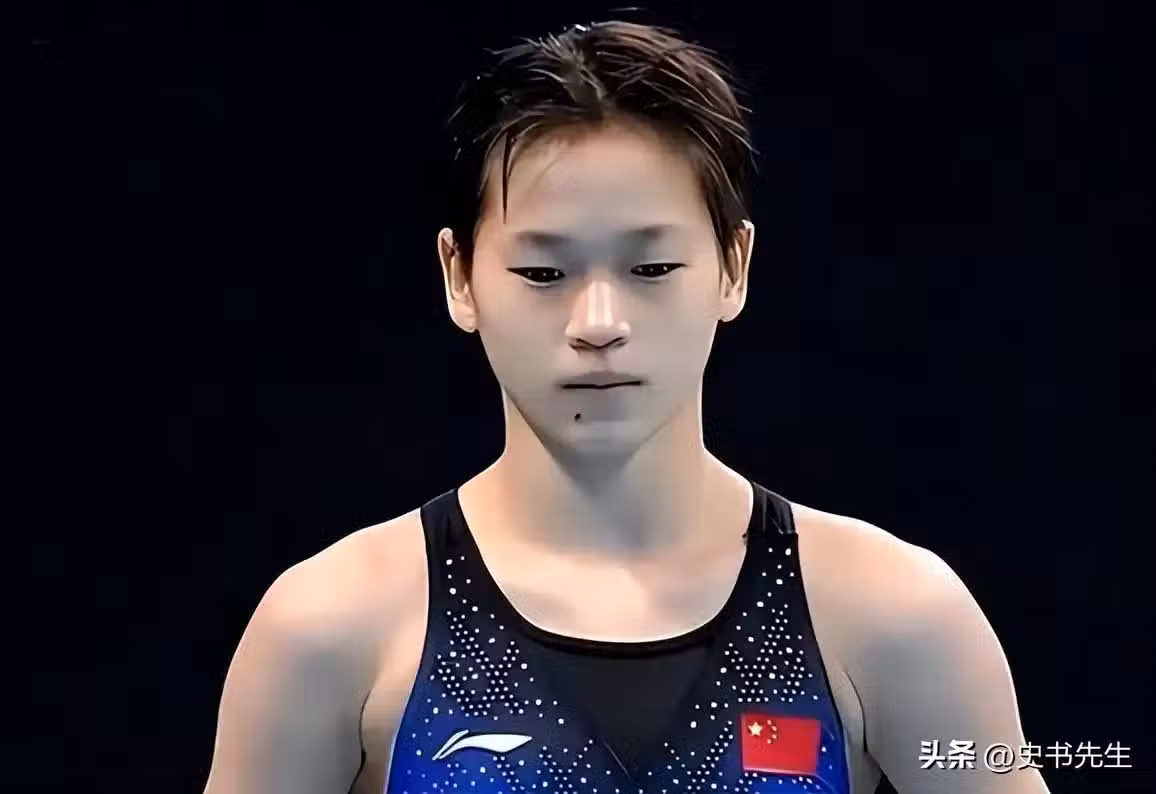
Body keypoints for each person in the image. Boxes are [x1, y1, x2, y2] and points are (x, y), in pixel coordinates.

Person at [202, 20, 1049, 794]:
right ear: (459, 277)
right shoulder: (329, 630)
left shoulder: (894, 617)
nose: (598, 323)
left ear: (734, 267)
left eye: (651, 269)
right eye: (543, 273)